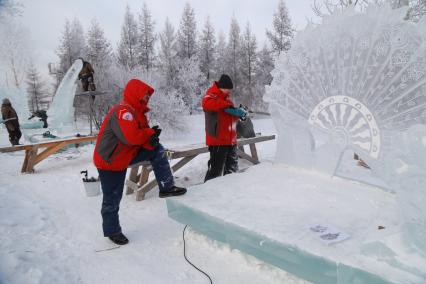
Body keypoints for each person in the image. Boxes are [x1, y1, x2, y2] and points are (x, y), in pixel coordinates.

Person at [93, 79, 187, 245]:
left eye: (147, 96)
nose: (146, 98)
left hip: (126, 155)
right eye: (144, 95)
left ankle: (166, 187)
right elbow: (131, 137)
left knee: (157, 149)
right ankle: (112, 231)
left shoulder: (138, 114)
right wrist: (148, 133)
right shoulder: (123, 111)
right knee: (112, 198)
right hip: (110, 161)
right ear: (134, 93)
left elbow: (140, 138)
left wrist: (151, 139)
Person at [202, 74, 248, 182]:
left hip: (231, 140)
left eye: (229, 89)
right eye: (227, 89)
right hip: (218, 141)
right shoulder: (210, 96)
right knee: (215, 172)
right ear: (221, 87)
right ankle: (208, 193)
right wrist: (228, 107)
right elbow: (208, 105)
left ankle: (229, 193)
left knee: (232, 170)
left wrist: (239, 115)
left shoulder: (227, 100)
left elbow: (229, 117)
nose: (228, 91)